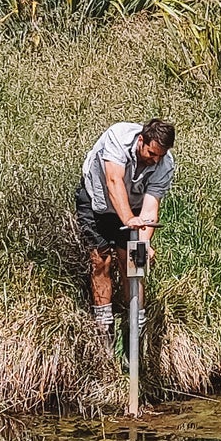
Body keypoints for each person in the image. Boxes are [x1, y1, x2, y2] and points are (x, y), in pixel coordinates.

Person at [76, 119, 177, 338]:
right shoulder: (118, 137)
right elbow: (114, 181)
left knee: (133, 262)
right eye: (152, 153)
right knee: (101, 260)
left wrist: (142, 245)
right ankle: (104, 328)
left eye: (160, 156)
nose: (155, 160)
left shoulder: (165, 164)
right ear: (141, 140)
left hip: (133, 207)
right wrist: (129, 219)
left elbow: (150, 208)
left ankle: (136, 327)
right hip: (97, 201)